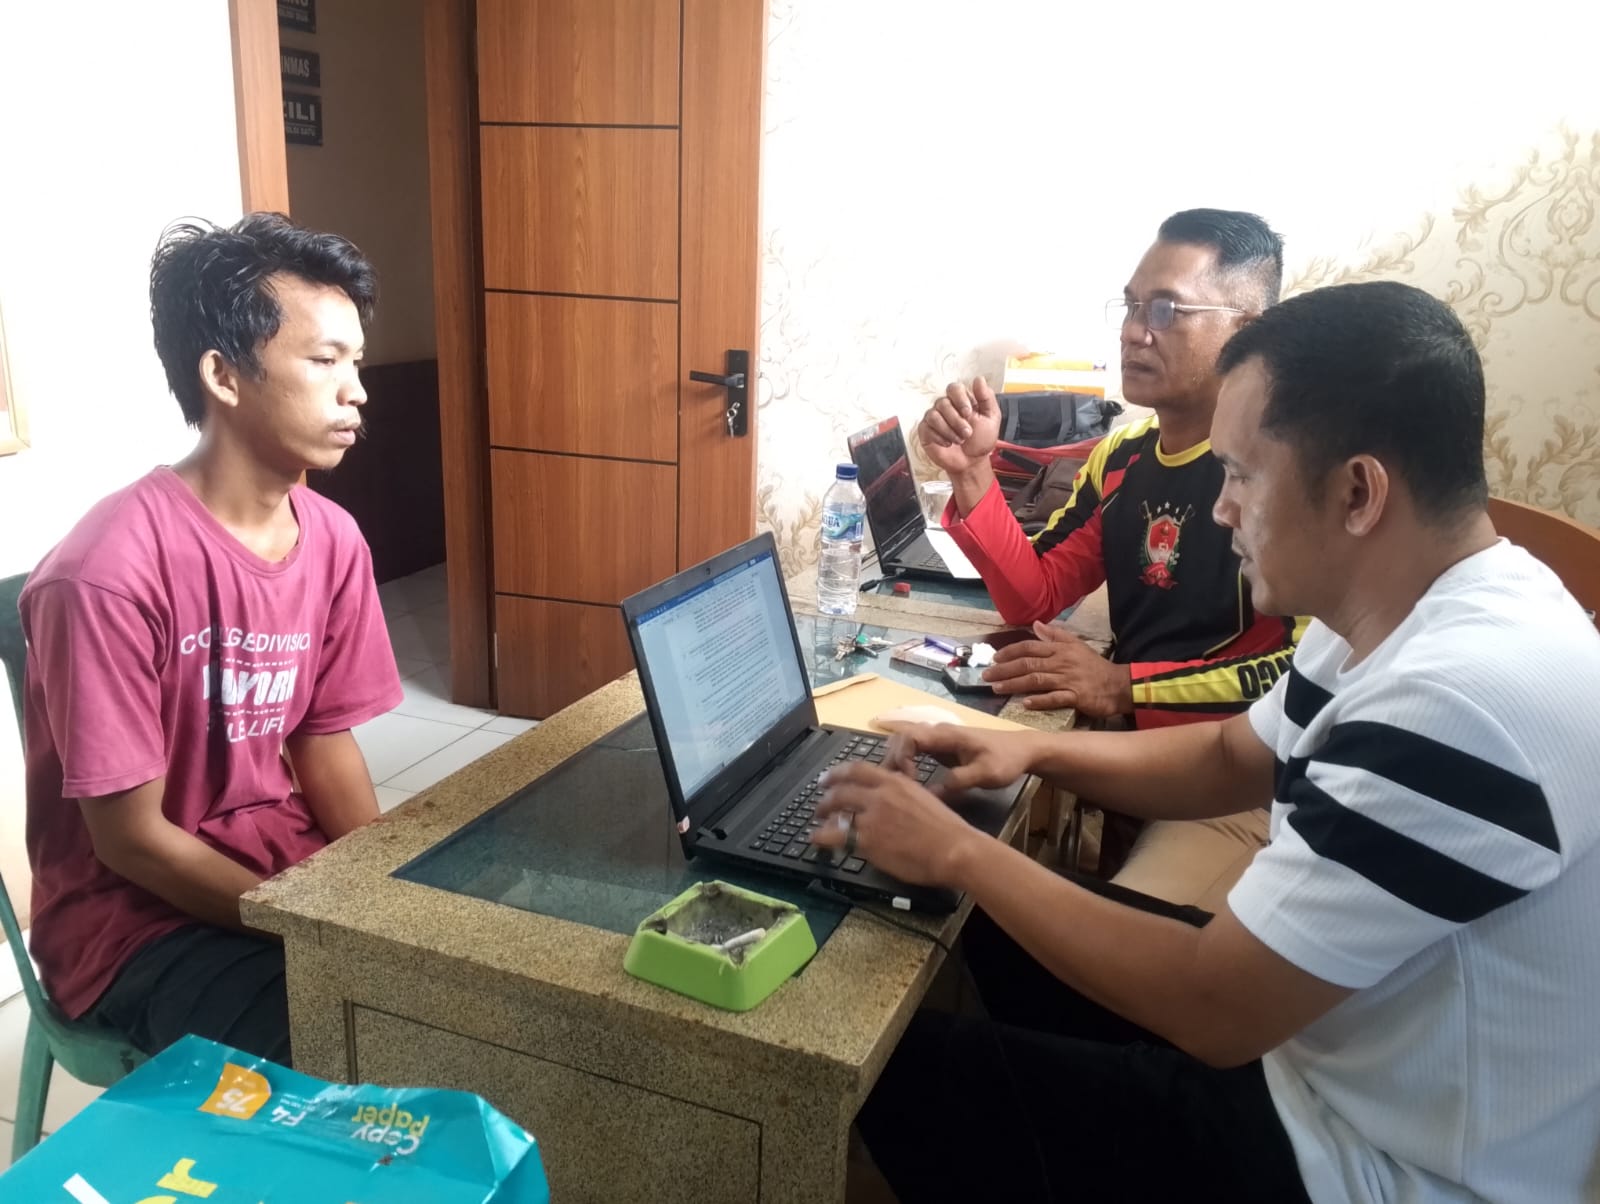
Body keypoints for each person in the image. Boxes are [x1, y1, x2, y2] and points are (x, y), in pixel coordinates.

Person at [819, 281, 1600, 1203]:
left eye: (1241, 475)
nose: (1222, 508)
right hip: (1326, 1058)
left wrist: (960, 849)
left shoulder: (1461, 703)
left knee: (886, 1072)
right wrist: (1031, 752)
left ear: (1357, 492)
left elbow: (1214, 1008)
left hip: (1366, 1164)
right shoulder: (1406, 607)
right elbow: (1232, 757)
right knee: (981, 930)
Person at [19, 214, 402, 1063]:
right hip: (135, 922)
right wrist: (309, 930)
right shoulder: (104, 573)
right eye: (325, 361)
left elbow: (322, 738)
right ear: (223, 375)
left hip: (279, 868)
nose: (357, 392)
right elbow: (130, 840)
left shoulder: (333, 539)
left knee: (464, 1008)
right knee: (364, 1046)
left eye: (357, 362)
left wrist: (379, 902)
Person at [919, 209, 1302, 903]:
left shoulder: (1286, 472)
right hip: (1141, 754)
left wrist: (1124, 685)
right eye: (1130, 306)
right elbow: (1036, 595)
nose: (1132, 330)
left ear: (1246, 329)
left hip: (1245, 779)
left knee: (1070, 920)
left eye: (1165, 310)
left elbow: (1299, 675)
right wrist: (972, 471)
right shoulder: (1122, 456)